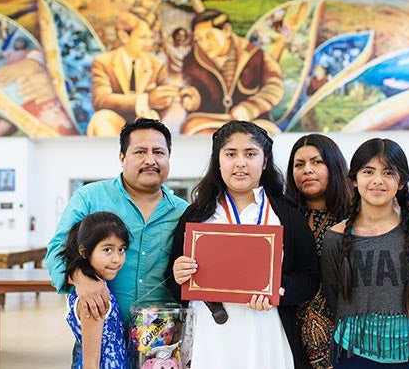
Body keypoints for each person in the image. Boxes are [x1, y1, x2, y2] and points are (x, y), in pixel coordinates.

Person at [285, 134, 409, 368]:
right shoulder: (333, 236)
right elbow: (336, 298)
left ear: (401, 182)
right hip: (348, 351)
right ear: (354, 179)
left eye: (388, 172)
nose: (378, 180)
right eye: (368, 171)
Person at [169, 120, 320, 368]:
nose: (240, 163)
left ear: (265, 161)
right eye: (230, 154)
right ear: (218, 161)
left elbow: (310, 277)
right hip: (211, 339)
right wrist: (178, 274)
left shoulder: (286, 214)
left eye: (250, 154)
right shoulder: (196, 216)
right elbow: (175, 286)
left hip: (267, 335)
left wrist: (278, 289)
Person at [45, 118, 189, 367]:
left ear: (168, 158)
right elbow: (56, 254)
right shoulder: (90, 198)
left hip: (161, 344)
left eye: (159, 152)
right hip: (101, 336)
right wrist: (82, 278)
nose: (150, 160)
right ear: (122, 157)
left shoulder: (184, 212)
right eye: (140, 152)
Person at [178, 9, 285, 135]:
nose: (204, 44)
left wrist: (251, 107)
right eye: (199, 38)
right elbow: (188, 85)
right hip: (210, 123)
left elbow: (275, 86)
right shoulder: (191, 60)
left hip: (252, 123)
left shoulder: (255, 55)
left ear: (226, 30)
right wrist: (190, 97)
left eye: (209, 36)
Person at [87, 12, 181, 136]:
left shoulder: (157, 65)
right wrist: (146, 100)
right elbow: (101, 100)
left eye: (151, 37)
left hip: (147, 127)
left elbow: (167, 104)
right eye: (142, 37)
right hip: (117, 125)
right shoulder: (103, 62)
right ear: (123, 36)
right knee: (101, 119)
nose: (149, 43)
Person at [58, 211, 130, 369]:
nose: (116, 259)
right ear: (84, 251)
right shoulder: (94, 298)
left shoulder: (96, 286)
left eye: (121, 249)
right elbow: (91, 363)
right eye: (107, 250)